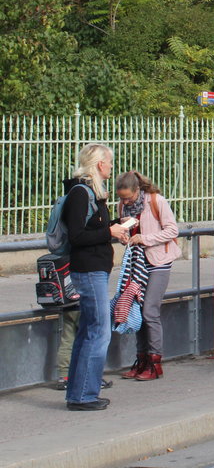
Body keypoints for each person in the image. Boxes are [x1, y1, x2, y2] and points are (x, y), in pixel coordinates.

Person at [63, 142, 128, 411]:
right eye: (109, 162)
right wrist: (109, 232)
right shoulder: (81, 193)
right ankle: (84, 396)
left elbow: (90, 229)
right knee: (99, 332)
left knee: (89, 331)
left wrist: (114, 227)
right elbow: (77, 236)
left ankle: (79, 393)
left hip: (93, 269)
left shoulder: (90, 192)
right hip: (88, 271)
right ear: (100, 164)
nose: (111, 167)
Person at [114, 170, 181, 381]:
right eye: (122, 198)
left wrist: (144, 238)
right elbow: (125, 232)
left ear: (138, 190)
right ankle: (141, 359)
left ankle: (154, 362)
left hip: (159, 261)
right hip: (137, 263)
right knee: (137, 310)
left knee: (150, 311)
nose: (125, 202)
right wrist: (124, 237)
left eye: (128, 197)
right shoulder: (123, 206)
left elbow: (172, 230)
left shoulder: (156, 201)